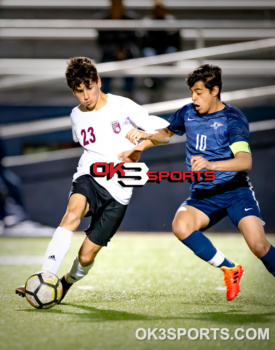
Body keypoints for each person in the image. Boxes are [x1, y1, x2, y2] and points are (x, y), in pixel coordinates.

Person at [15, 56, 168, 301]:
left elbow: (165, 135)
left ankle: (64, 284)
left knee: (86, 257)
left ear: (98, 81)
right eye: (79, 91)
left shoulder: (123, 106)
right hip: (89, 175)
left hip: (119, 190)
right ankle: (45, 276)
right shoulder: (76, 115)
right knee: (72, 214)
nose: (86, 96)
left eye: (89, 87)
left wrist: (142, 143)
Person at [118, 64, 275, 301]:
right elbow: (166, 134)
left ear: (215, 91)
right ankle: (230, 269)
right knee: (181, 226)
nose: (194, 97)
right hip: (203, 194)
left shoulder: (233, 118)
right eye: (192, 91)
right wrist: (143, 140)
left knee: (259, 246)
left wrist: (212, 165)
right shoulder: (187, 112)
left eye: (199, 92)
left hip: (235, 191)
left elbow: (245, 161)